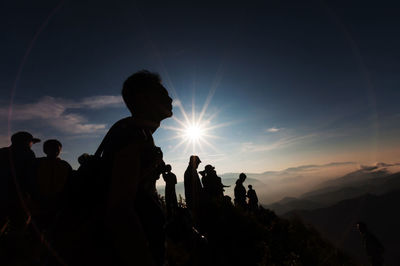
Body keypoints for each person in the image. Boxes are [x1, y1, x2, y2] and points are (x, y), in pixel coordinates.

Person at [59, 70, 172, 266]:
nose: (169, 98)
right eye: (162, 93)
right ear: (143, 98)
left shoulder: (135, 133)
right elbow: (120, 210)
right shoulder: (132, 137)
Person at [0, 131, 40, 263]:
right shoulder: (28, 154)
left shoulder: (2, 152)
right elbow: (30, 178)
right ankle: (11, 255)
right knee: (17, 227)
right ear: (26, 142)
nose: (31, 145)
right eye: (31, 142)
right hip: (18, 197)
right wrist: (34, 196)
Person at [33, 139, 72, 230]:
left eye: (57, 149)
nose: (54, 151)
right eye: (51, 148)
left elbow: (69, 183)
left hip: (58, 202)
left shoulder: (65, 165)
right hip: (39, 201)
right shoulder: (37, 163)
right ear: (45, 150)